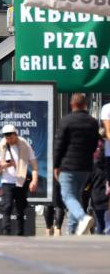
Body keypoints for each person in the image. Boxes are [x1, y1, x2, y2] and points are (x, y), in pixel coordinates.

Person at [55, 93, 101, 235]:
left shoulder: (66, 121)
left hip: (68, 166)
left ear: (72, 105)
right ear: (85, 104)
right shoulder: (93, 122)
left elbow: (59, 145)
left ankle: (82, 217)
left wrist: (56, 165)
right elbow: (95, 145)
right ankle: (71, 230)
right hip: (86, 167)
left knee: (67, 196)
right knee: (75, 197)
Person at [0, 125, 39, 236]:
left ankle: (20, 234)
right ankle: (6, 233)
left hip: (21, 182)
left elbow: (34, 166)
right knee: (6, 206)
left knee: (20, 209)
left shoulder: (25, 145)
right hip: (7, 182)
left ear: (15, 134)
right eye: (7, 138)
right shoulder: (1, 147)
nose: (9, 140)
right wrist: (5, 165)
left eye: (11, 138)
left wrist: (34, 180)